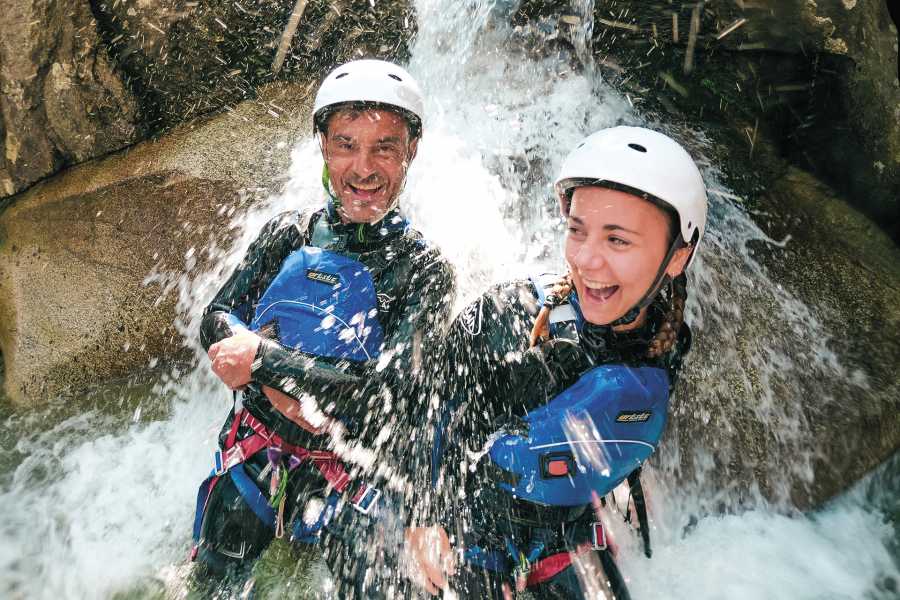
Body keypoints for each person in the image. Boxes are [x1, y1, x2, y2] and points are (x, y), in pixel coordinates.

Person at [190, 58, 456, 596]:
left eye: (384, 146)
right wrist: (259, 367)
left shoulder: (425, 272)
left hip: (353, 470)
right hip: (257, 449)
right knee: (212, 577)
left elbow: (388, 391)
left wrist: (264, 365)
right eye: (345, 144)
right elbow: (217, 319)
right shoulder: (291, 233)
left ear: (411, 152)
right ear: (322, 147)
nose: (364, 169)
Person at [407, 126, 708, 598]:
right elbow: (428, 409)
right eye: (577, 231)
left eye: (618, 241)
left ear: (677, 257)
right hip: (473, 538)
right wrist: (423, 518)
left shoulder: (668, 338)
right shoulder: (507, 318)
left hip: (570, 536)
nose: (587, 260)